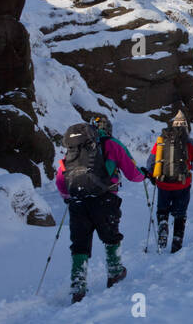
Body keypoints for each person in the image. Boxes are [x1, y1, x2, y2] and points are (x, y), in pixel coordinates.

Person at [55, 113, 146, 304]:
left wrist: (68, 197)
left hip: (77, 202)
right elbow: (132, 173)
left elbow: (61, 179)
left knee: (79, 244)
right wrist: (143, 175)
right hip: (104, 199)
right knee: (110, 236)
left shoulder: (74, 148)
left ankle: (78, 286)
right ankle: (115, 272)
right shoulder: (111, 144)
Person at [143, 110, 193, 253]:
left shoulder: (162, 140)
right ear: (185, 126)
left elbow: (151, 161)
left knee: (162, 209)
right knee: (180, 213)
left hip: (163, 183)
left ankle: (163, 223)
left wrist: (152, 175)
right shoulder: (190, 142)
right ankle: (177, 241)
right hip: (182, 184)